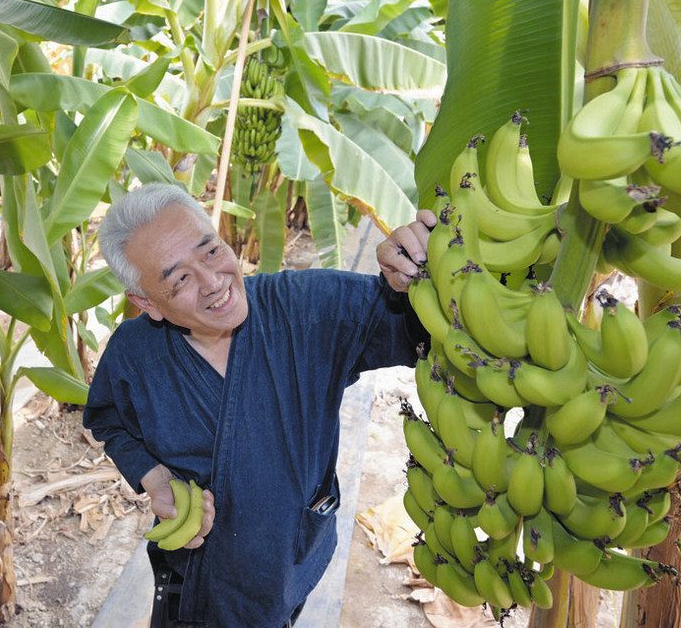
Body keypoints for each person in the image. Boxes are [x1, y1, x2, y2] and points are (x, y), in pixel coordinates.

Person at [83, 183, 435, 627]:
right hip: (200, 584)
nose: (214, 282)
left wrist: (416, 273)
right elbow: (109, 420)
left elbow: (420, 330)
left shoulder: (306, 311)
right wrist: (155, 479)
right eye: (180, 279)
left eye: (211, 251)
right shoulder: (134, 356)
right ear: (147, 303)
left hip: (293, 561)